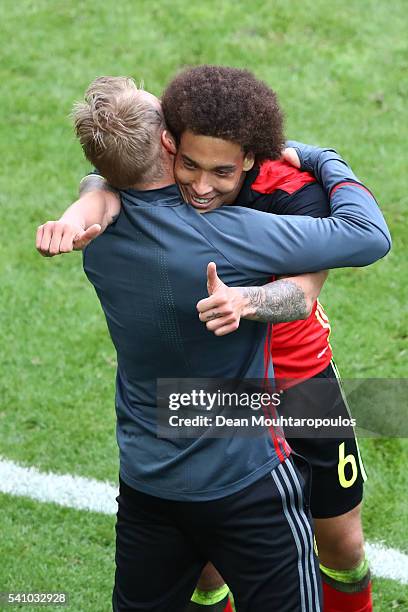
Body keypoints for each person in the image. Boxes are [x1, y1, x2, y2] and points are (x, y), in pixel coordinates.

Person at [37, 75, 390, 611]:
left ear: (251, 157)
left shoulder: (292, 188)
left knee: (341, 544)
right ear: (169, 147)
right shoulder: (139, 195)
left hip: (299, 378)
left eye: (222, 171)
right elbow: (110, 171)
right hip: (213, 397)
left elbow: (308, 285)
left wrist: (90, 199)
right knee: (206, 564)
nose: (202, 186)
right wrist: (95, 194)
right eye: (190, 166)